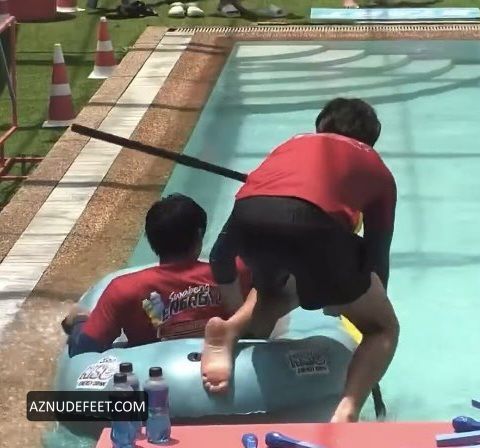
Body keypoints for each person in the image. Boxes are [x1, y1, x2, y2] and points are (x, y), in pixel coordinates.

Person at [201, 98, 400, 423]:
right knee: (383, 328)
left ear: (320, 128)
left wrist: (230, 295)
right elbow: (377, 253)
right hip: (312, 228)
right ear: (370, 141)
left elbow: (221, 251)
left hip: (249, 221)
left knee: (278, 291)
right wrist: (358, 298)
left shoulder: (288, 146)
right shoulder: (377, 168)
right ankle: (347, 411)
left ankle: (230, 329)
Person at [61, 194, 256, 358]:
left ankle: (78, 318)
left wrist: (79, 323)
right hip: (220, 363)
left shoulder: (124, 289)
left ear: (151, 239)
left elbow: (83, 351)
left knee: (79, 317)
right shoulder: (236, 272)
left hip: (153, 373)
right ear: (199, 234)